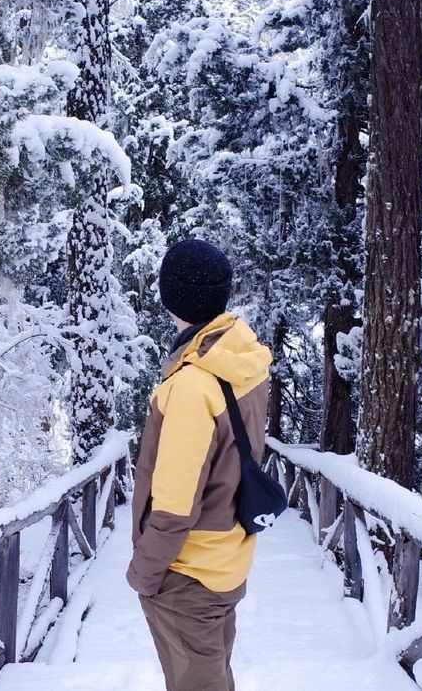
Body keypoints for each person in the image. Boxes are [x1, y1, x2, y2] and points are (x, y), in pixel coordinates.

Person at [126, 239, 272, 691]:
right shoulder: (241, 359)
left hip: (188, 575)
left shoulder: (192, 386)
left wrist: (143, 574)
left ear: (172, 297)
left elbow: (174, 506)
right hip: (227, 557)